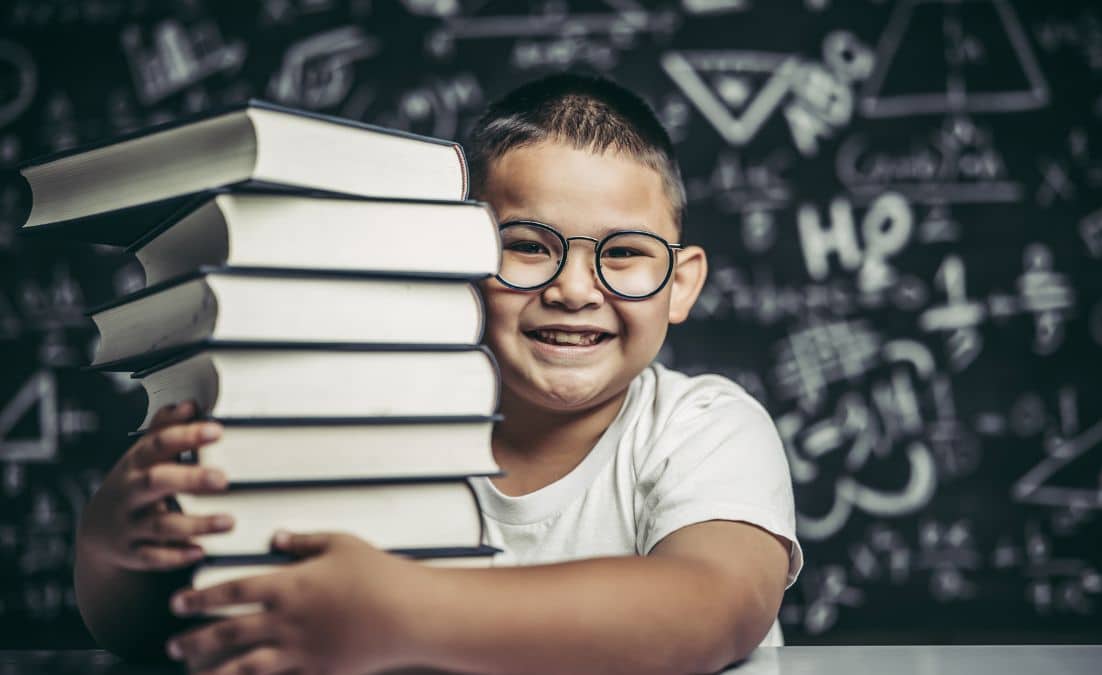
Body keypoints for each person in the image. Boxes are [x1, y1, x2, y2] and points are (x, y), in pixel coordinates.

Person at [73, 73, 803, 675]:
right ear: (450, 255)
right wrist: (113, 546)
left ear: (682, 283)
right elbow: (170, 634)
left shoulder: (705, 429)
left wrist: (403, 614)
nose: (574, 289)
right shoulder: (359, 429)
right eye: (527, 245)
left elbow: (710, 608)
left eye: (623, 254)